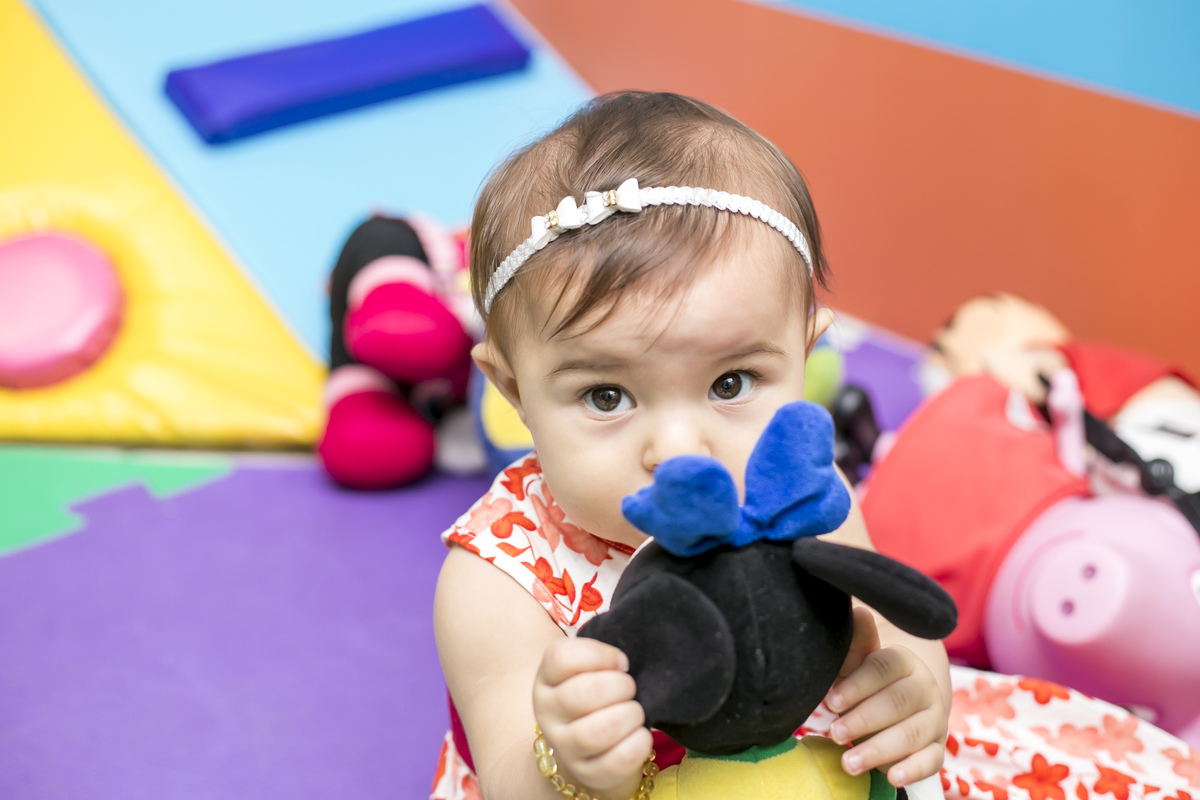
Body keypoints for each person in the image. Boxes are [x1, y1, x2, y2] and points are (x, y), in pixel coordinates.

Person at [432, 91, 951, 800]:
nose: (681, 452)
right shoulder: (498, 578)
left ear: (805, 353)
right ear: (513, 390)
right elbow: (508, 779)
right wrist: (568, 760)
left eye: (732, 381)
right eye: (607, 397)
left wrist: (913, 696)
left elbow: (897, 634)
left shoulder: (797, 493)